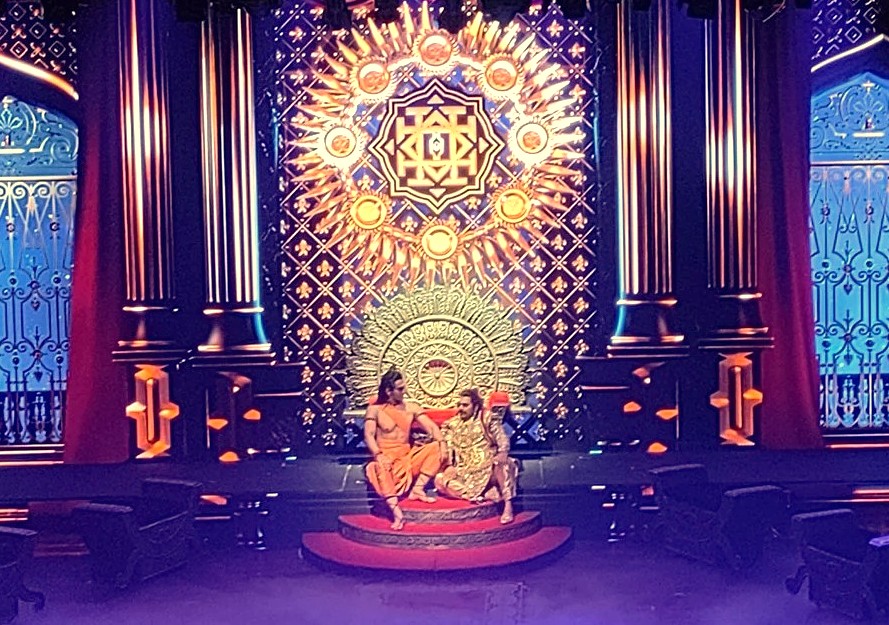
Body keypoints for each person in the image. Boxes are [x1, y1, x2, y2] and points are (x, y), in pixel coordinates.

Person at [364, 368, 445, 530]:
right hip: (388, 460)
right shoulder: (375, 410)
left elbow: (432, 428)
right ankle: (396, 511)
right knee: (377, 466)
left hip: (408, 458)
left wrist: (442, 443)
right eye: (400, 389)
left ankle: (417, 489)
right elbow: (368, 435)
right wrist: (378, 454)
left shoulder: (412, 408)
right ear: (388, 391)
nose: (404, 391)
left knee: (436, 447)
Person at [435, 389, 518, 524]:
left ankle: (508, 505)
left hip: (489, 468)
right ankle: (479, 495)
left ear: (476, 406)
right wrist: (449, 466)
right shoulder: (452, 424)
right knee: (439, 480)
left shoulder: (487, 418)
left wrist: (502, 452)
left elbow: (502, 438)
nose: (460, 408)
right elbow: (448, 446)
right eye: (459, 405)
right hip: (465, 472)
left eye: (465, 405)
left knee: (503, 464)